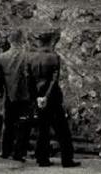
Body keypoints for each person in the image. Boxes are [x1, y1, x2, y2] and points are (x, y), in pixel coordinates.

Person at [28, 32, 80, 168]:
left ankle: (42, 158)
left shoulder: (31, 58)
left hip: (38, 99)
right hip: (52, 99)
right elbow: (54, 80)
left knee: (42, 129)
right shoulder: (54, 57)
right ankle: (67, 160)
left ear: (39, 42)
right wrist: (46, 96)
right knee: (62, 131)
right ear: (50, 42)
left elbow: (29, 80)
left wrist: (37, 97)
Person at [0, 29, 33, 162]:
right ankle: (19, 152)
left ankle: (4, 151)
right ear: (21, 40)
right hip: (25, 96)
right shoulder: (28, 56)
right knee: (23, 124)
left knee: (7, 123)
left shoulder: (1, 58)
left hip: (8, 95)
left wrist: (1, 92)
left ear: (9, 41)